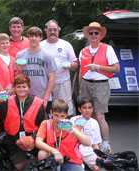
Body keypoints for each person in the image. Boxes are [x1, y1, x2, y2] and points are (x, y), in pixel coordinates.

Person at [79, 22, 120, 154]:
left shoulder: (107, 49)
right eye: (91, 33)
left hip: (101, 84)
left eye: (96, 33)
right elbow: (81, 71)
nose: (93, 35)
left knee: (99, 115)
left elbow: (116, 69)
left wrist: (98, 67)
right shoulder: (83, 51)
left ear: (101, 35)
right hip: (86, 83)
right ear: (87, 36)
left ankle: (106, 145)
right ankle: (89, 142)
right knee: (85, 114)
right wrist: (80, 88)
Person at [0, 74, 47, 170]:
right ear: (14, 88)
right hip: (14, 140)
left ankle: (33, 161)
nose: (21, 89)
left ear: (29, 87)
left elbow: (44, 124)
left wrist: (37, 140)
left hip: (33, 139)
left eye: (24, 87)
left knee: (40, 157)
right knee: (19, 166)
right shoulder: (6, 102)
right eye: (18, 87)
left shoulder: (38, 103)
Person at [35, 99, 91, 171]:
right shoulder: (46, 123)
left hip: (69, 160)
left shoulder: (71, 126)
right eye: (56, 115)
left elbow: (87, 143)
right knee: (42, 154)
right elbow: (38, 142)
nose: (59, 119)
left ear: (66, 115)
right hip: (53, 157)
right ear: (51, 113)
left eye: (62, 116)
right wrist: (55, 151)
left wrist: (73, 131)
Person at [16, 26, 56, 114]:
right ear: (28, 37)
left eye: (36, 36)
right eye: (31, 36)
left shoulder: (47, 56)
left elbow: (52, 78)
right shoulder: (20, 55)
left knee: (43, 123)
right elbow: (18, 76)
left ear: (41, 38)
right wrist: (20, 69)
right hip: (25, 96)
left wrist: (45, 98)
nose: (34, 39)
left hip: (43, 96)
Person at [40, 20, 78, 116]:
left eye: (55, 30)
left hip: (62, 82)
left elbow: (75, 64)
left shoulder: (66, 45)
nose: (52, 32)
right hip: (45, 83)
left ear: (58, 31)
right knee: (46, 109)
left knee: (64, 109)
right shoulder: (40, 45)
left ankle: (65, 129)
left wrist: (70, 64)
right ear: (46, 31)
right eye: (50, 30)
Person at [70, 97, 102, 170]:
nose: (87, 110)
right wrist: (78, 129)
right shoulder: (73, 120)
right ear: (79, 109)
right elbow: (70, 139)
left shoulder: (95, 123)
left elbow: (95, 144)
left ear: (92, 109)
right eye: (84, 108)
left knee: (99, 167)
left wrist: (99, 156)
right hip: (75, 152)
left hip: (88, 152)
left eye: (89, 108)